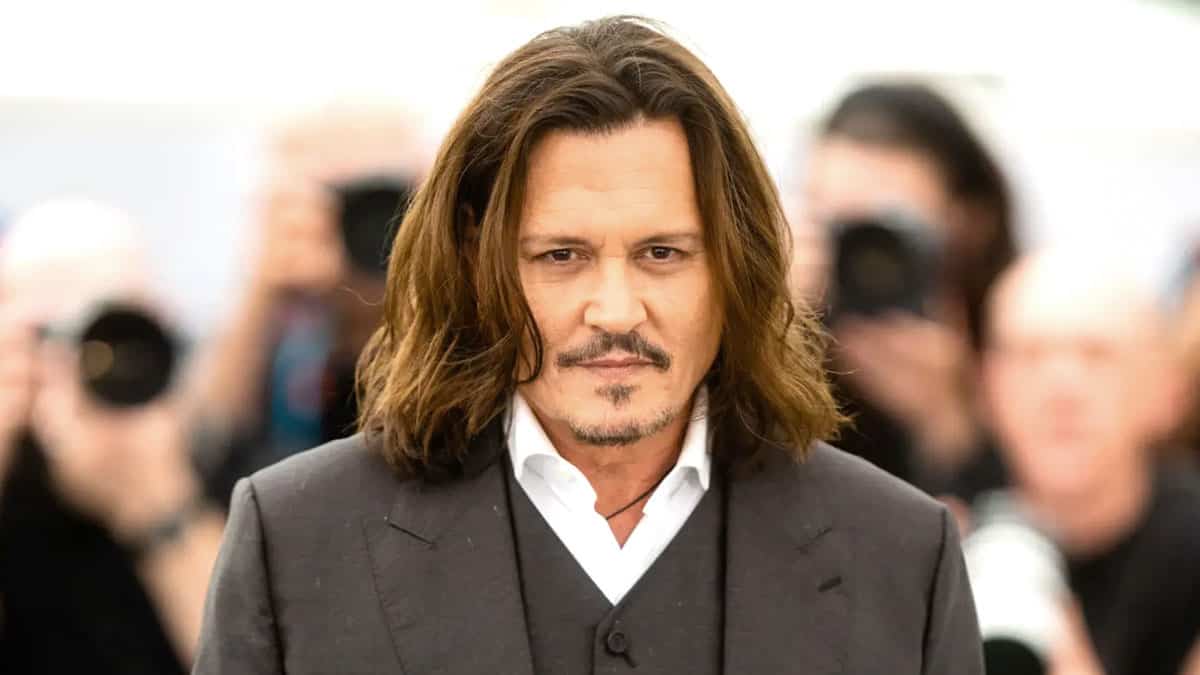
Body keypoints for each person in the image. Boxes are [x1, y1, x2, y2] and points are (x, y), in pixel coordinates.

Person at [194, 17, 982, 674]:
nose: (614, 310)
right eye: (561, 255)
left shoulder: (902, 556)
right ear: (476, 261)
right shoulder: (293, 539)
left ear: (734, 265)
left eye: (661, 253)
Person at [0, 199, 225, 673]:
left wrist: (160, 505)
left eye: (117, 334)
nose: (84, 363)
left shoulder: (206, 457)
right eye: (47, 335)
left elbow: (253, 658)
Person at [188, 104, 425, 504]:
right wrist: (263, 288)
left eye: (384, 199)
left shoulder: (452, 318)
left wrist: (428, 269)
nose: (368, 224)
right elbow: (206, 444)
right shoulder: (284, 341)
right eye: (338, 199)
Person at [981, 248, 1200, 675]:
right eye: (1029, 355)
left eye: (1097, 355)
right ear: (987, 383)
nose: (1062, 388)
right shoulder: (934, 524)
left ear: (1169, 390)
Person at [793, 82, 1017, 496]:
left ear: (969, 223)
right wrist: (767, 337)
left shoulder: (1024, 333)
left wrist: (950, 424)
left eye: (884, 228)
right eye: (836, 223)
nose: (861, 255)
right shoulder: (776, 330)